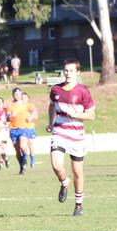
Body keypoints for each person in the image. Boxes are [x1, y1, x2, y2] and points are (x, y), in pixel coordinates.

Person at [46, 59, 95, 217]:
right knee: (56, 164)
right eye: (66, 70)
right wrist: (50, 122)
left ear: (77, 73)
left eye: (71, 71)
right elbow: (52, 105)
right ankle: (64, 182)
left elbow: (91, 115)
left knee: (78, 172)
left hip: (77, 135)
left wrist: (76, 114)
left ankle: (78, 205)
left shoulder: (83, 91)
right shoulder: (56, 89)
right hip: (59, 132)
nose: (68, 73)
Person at [7, 87, 38, 175]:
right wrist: (10, 116)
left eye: (19, 94)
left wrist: (31, 117)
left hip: (23, 128)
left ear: (21, 95)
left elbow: (35, 112)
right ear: (13, 95)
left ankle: (25, 156)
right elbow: (7, 117)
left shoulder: (27, 104)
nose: (17, 96)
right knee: (17, 151)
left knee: (22, 145)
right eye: (15, 94)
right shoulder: (10, 105)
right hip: (13, 129)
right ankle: (22, 165)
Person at [22, 92, 38, 168]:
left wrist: (31, 117)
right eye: (22, 97)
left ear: (28, 99)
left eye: (25, 97)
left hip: (30, 128)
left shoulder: (30, 106)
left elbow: (36, 115)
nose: (23, 99)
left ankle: (32, 162)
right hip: (22, 128)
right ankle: (24, 160)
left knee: (30, 144)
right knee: (23, 146)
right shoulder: (19, 106)